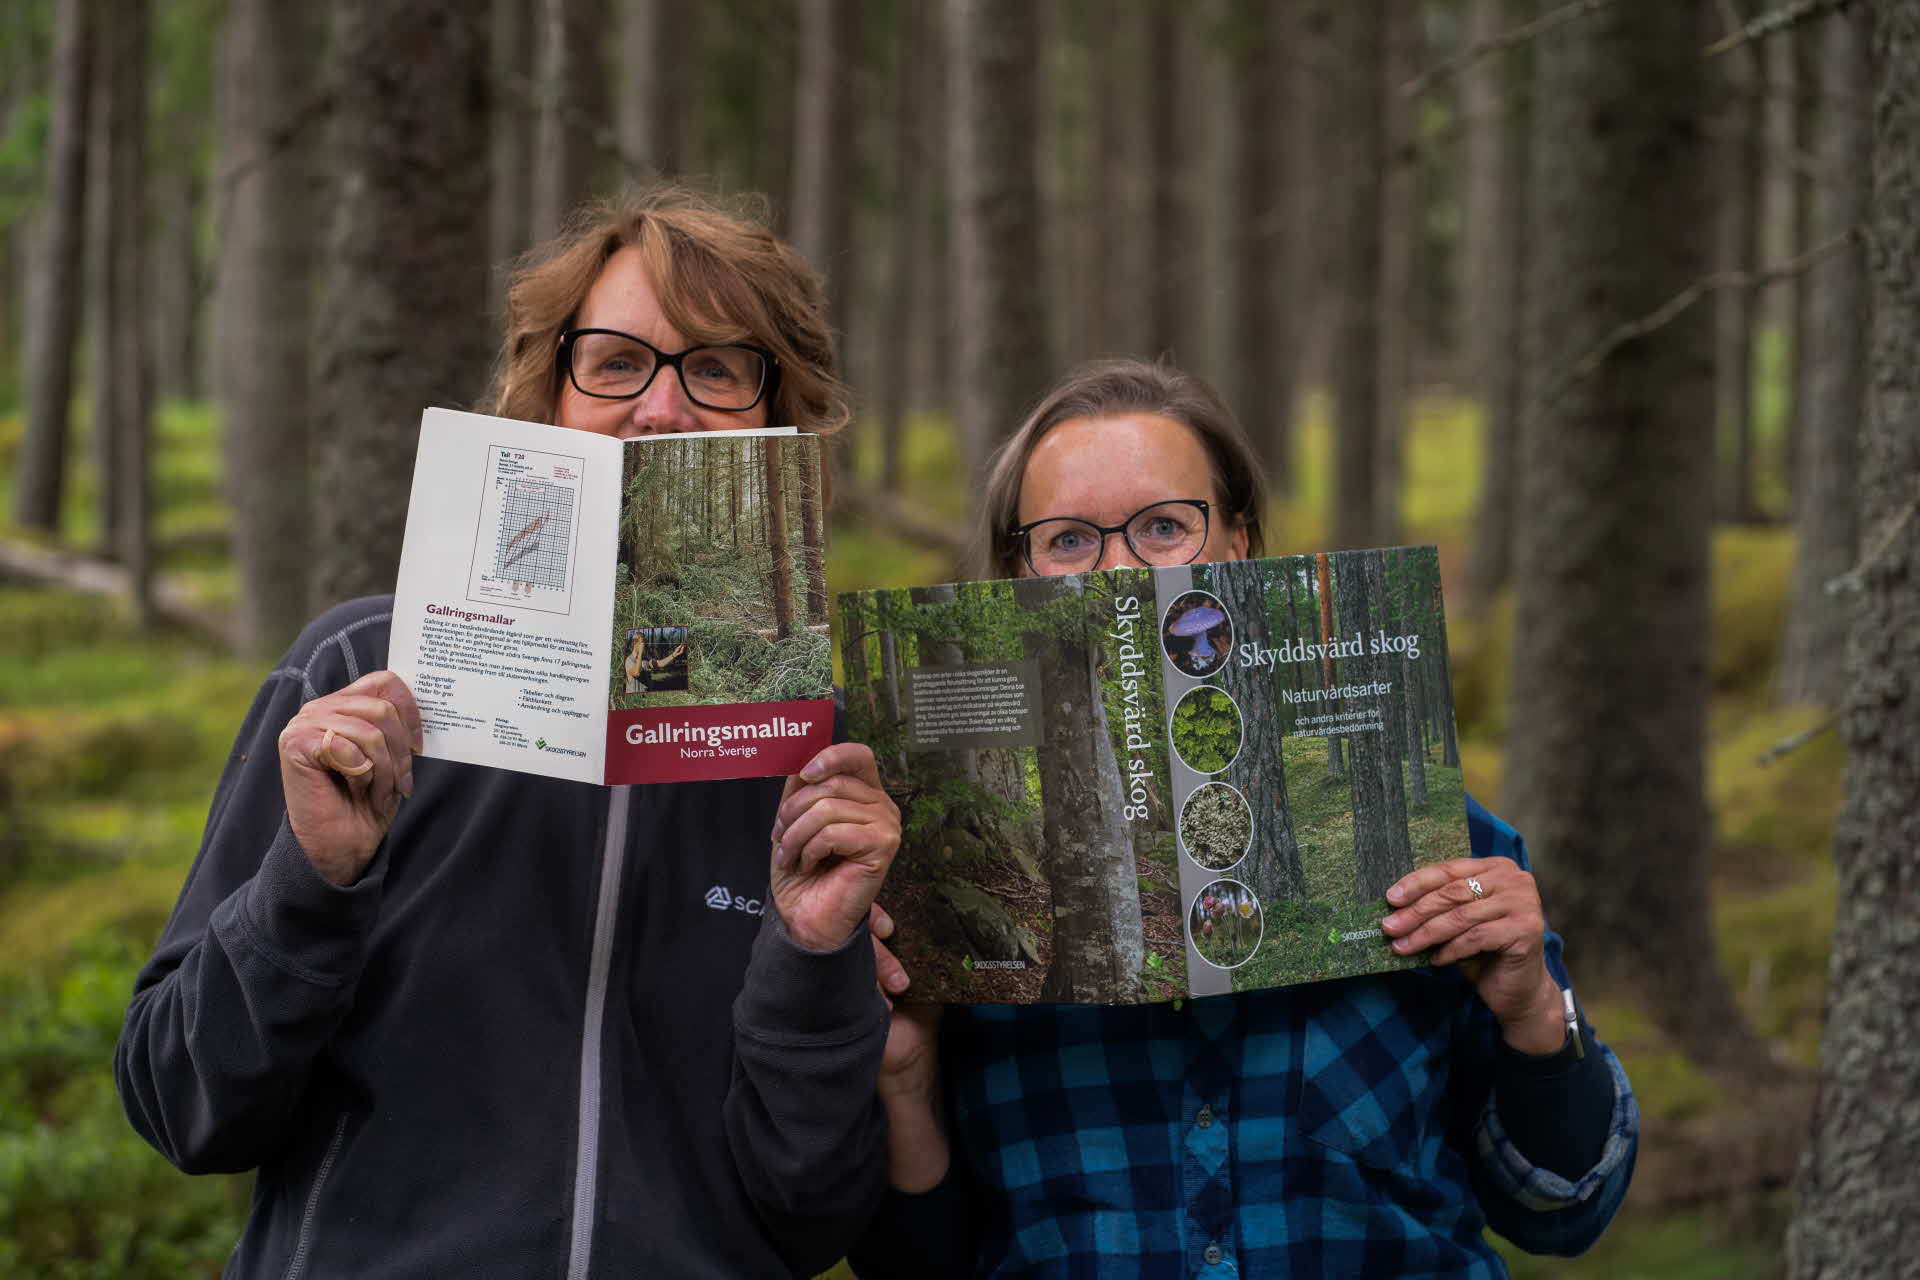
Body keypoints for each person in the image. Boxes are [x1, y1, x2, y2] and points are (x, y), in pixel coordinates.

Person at [116, 187, 902, 1278]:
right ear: (546, 400)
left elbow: (818, 1214)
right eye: (616, 362)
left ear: (785, 417)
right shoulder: (358, 679)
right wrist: (312, 880)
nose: (661, 410)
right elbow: (180, 1105)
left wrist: (815, 957)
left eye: (719, 368)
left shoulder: (818, 755)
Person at [851, 359, 1638, 1277]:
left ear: (1238, 545)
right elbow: (911, 1266)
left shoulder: (1435, 842)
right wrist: (905, 1083)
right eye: (1068, 540)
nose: (1119, 570)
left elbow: (1565, 1206)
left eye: (1163, 527)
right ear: (1016, 572)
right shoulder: (952, 878)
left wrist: (1535, 1014)